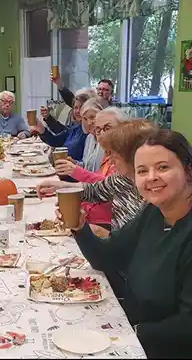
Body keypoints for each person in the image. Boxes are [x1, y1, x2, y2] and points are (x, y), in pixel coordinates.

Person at [55, 129, 192, 358]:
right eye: (142, 171)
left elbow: (186, 325)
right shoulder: (153, 213)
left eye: (163, 167)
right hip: (133, 328)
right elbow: (107, 257)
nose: (151, 177)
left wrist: (131, 333)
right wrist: (80, 227)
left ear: (188, 170)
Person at [37, 119, 155, 232]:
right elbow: (93, 190)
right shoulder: (123, 179)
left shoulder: (153, 197)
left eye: (114, 153)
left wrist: (99, 234)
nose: (110, 159)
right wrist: (58, 186)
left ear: (132, 155)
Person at [54, 106, 129, 233]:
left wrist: (72, 175)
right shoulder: (108, 155)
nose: (102, 134)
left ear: (124, 129)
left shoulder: (126, 159)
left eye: (107, 128)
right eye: (98, 130)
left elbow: (107, 186)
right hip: (89, 220)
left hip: (105, 226)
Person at [31, 90, 94, 161]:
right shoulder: (74, 129)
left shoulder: (91, 133)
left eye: (81, 107)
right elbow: (55, 140)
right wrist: (39, 126)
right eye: (76, 108)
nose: (78, 111)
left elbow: (87, 164)